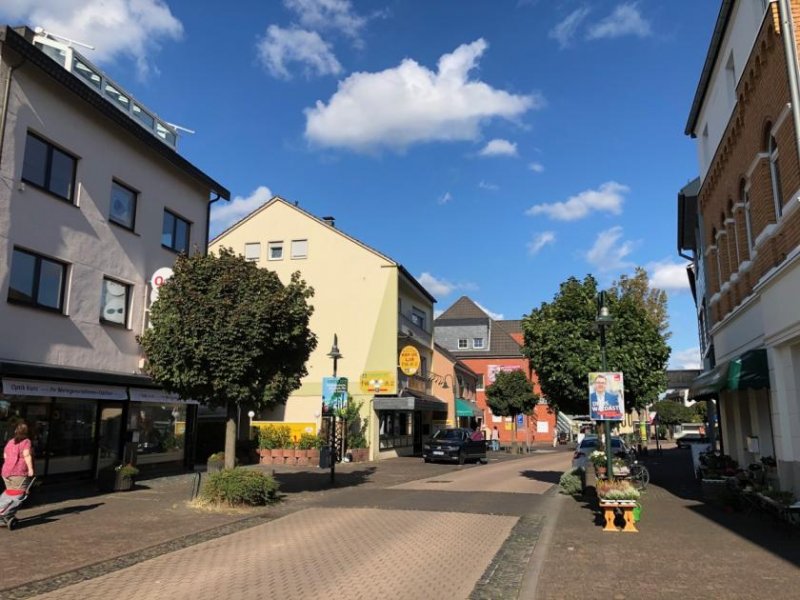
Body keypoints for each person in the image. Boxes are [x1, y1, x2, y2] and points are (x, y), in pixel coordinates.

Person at [3, 423, 35, 492]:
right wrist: (30, 469)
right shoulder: (26, 442)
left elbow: (5, 456)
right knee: (19, 495)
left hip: (6, 472)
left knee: (10, 495)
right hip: (18, 472)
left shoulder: (10, 442)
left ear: (15, 431)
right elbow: (26, 455)